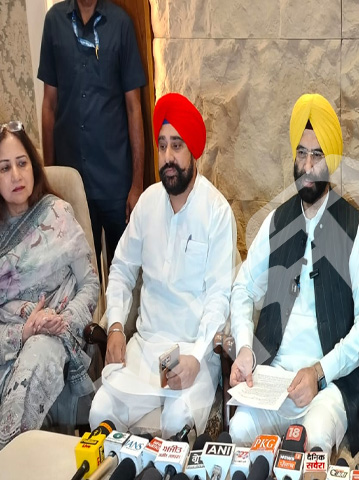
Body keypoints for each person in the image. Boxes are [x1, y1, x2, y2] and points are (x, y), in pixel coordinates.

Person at [229, 93, 359, 455]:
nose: (308, 166)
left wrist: (319, 371)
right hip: (273, 380)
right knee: (239, 430)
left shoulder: (354, 228)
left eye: (317, 155)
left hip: (328, 386)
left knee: (311, 442)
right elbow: (243, 288)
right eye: (301, 153)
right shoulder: (277, 221)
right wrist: (246, 347)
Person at [89, 93, 236, 437]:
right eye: (162, 145)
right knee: (100, 411)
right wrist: (115, 326)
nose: (168, 157)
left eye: (177, 146)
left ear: (193, 151)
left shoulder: (216, 212)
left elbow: (220, 297)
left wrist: (197, 357)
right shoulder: (147, 203)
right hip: (144, 349)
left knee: (176, 422)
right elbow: (121, 269)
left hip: (193, 352)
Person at [0, 121, 99, 449]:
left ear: (33, 165)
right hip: (10, 339)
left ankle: (11, 457)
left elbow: (90, 283)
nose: (16, 175)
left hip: (57, 335)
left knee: (38, 355)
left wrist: (61, 322)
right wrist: (24, 330)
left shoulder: (58, 214)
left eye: (22, 163)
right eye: (4, 168)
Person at [38, 0, 147, 269]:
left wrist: (136, 185)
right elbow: (49, 105)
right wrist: (49, 179)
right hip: (72, 182)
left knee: (125, 269)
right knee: (79, 273)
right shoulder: (54, 22)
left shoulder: (120, 24)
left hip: (116, 181)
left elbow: (134, 108)